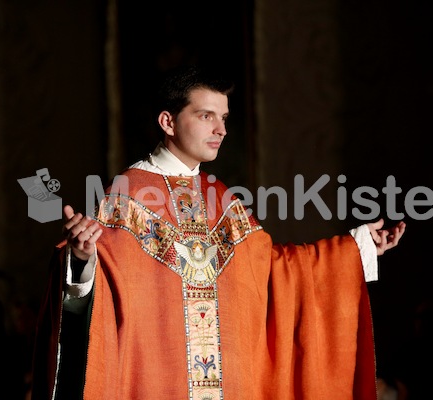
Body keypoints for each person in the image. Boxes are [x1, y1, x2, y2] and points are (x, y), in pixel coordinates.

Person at [31, 65, 406, 399]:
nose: (221, 129)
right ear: (168, 122)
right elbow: (98, 307)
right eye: (206, 116)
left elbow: (273, 272)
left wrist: (355, 248)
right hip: (159, 384)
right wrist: (81, 259)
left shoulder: (222, 198)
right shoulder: (127, 195)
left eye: (224, 118)